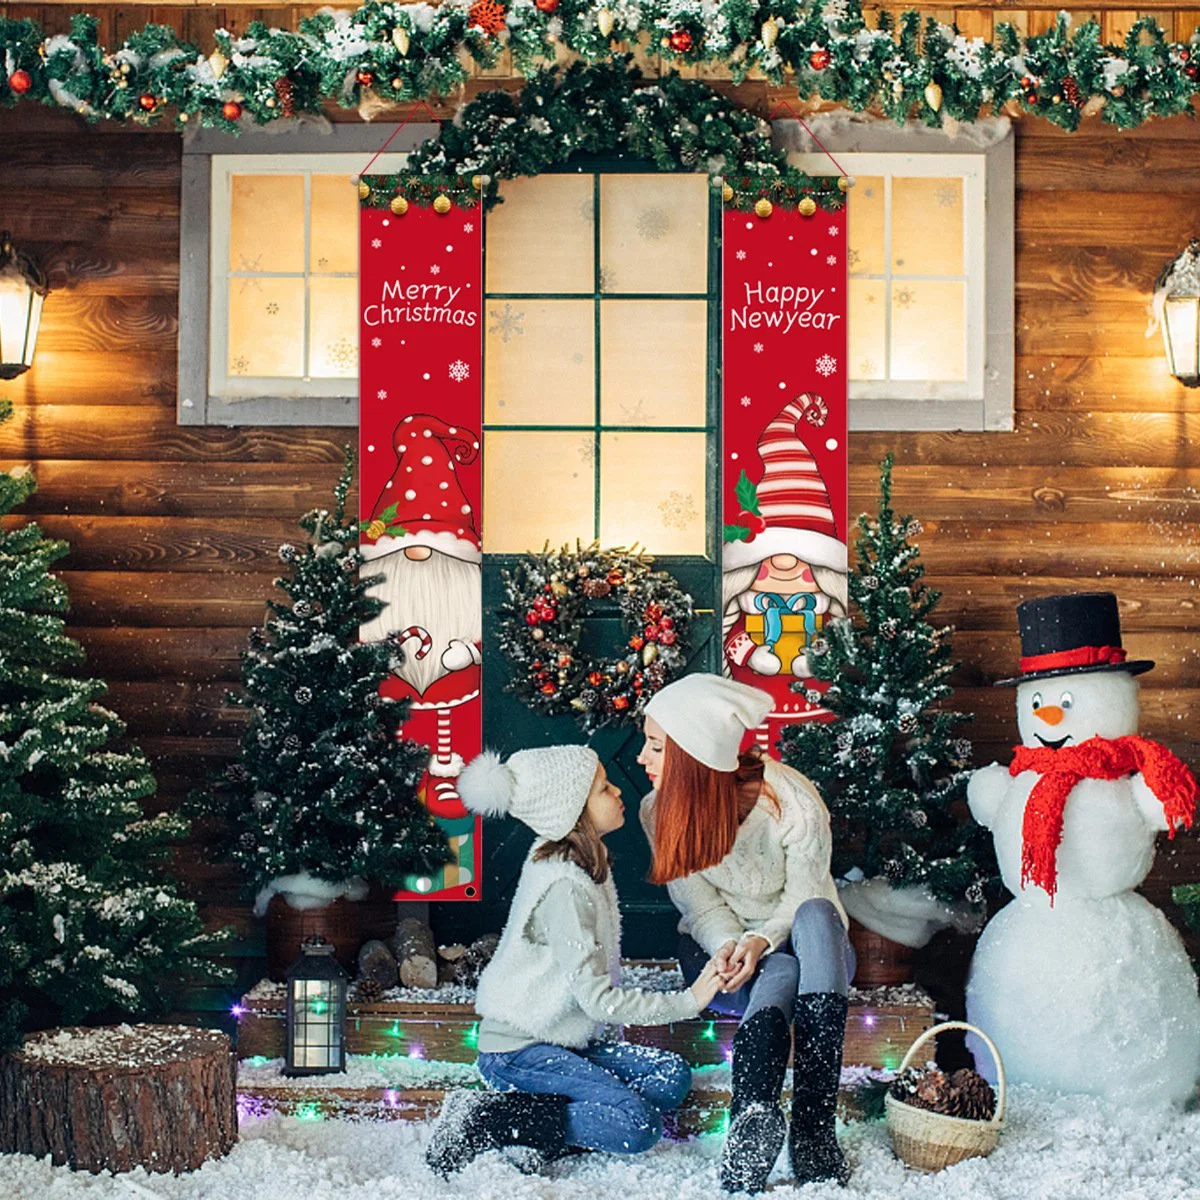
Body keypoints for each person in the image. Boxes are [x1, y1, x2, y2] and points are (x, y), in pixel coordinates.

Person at [425, 743, 725, 1176]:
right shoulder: (565, 887)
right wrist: (690, 1000)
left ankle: (539, 1121)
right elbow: (598, 1001)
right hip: (520, 1050)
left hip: (561, 1040)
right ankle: (488, 1119)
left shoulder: (583, 861)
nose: (619, 792)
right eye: (604, 789)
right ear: (573, 813)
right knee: (636, 1124)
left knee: (669, 1077)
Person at [637, 674, 855, 1192]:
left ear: (694, 757)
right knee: (777, 968)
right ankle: (753, 1114)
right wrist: (733, 947)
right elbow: (701, 904)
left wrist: (762, 939)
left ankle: (813, 1126)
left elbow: (804, 895)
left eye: (655, 747)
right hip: (725, 958)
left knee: (818, 915)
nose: (643, 759)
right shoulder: (656, 811)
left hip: (814, 951)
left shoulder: (790, 801)